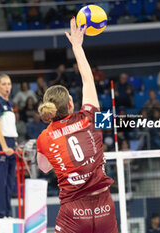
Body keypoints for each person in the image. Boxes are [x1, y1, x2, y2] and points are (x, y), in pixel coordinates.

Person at [36, 18, 117, 233]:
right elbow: (88, 81)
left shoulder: (45, 137)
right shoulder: (89, 118)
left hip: (73, 213)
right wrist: (77, 47)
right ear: (71, 103)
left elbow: (43, 167)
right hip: (104, 208)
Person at [0, 74, 18, 218]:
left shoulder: (9, 104)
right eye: (4, 84)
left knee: (9, 182)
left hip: (11, 143)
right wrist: (5, 146)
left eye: (9, 83)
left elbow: (10, 127)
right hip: (1, 143)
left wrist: (15, 144)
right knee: (1, 181)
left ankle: (7, 213)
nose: (8, 86)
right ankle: (0, 213)